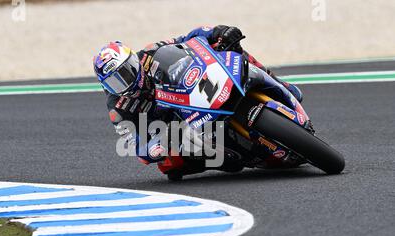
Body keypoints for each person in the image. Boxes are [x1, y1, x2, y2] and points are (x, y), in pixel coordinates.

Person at [93, 25, 304, 176]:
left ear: (132, 61)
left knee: (233, 49)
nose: (124, 82)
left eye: (126, 73)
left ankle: (279, 84)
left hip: (196, 91)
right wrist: (153, 148)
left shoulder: (150, 52)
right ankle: (231, 157)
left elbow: (189, 39)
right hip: (176, 126)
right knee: (169, 165)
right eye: (115, 82)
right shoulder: (118, 109)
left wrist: (217, 33)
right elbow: (135, 145)